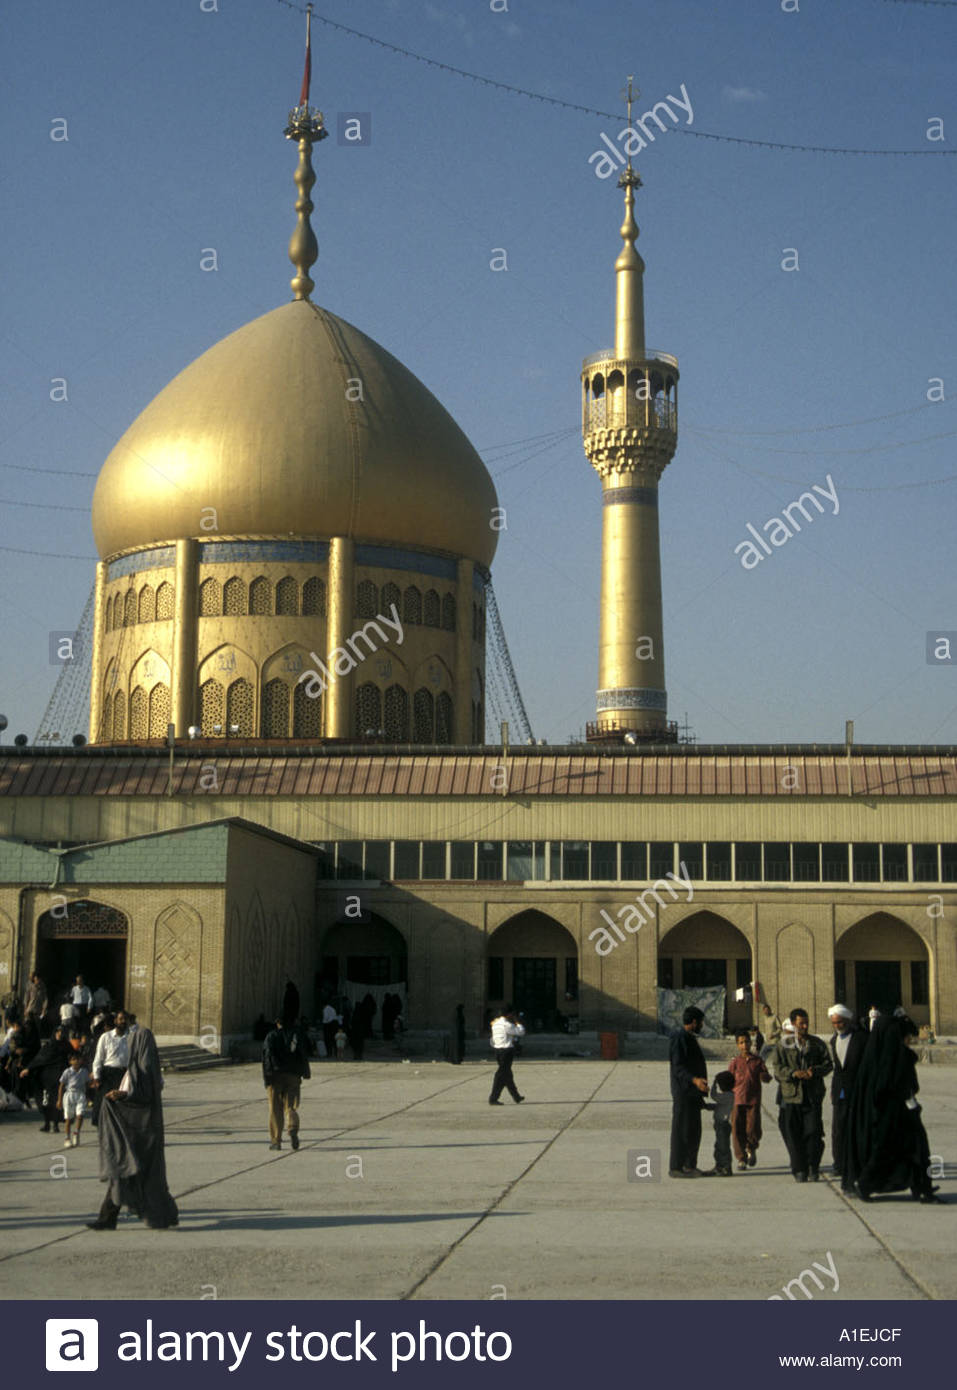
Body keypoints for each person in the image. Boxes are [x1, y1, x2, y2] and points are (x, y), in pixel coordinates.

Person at [844, 1011, 942, 1204]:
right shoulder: (894, 1058)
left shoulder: (874, 1058)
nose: (906, 1040)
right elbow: (903, 1086)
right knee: (897, 1151)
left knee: (915, 1151)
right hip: (895, 1116)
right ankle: (865, 1184)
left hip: (890, 1116)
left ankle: (922, 1187)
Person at [88, 1026, 179, 1231]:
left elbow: (142, 1097)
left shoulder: (143, 1070)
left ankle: (112, 1218)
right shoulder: (136, 1068)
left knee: (127, 1173)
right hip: (138, 1132)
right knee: (128, 1175)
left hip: (139, 1133)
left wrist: (122, 1097)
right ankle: (111, 1218)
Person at [770, 1009, 832, 1182]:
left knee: (813, 1132)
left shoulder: (817, 1044)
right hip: (791, 1096)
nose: (804, 1026)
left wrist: (815, 1071)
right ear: (793, 1024)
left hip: (812, 1096)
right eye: (801, 1023)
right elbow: (777, 1068)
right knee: (793, 1134)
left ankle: (813, 1166)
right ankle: (799, 1169)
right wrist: (793, 1073)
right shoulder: (783, 1045)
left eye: (806, 1023)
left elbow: (828, 1064)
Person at [827, 1003, 867, 1181]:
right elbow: (837, 1068)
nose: (838, 1026)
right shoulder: (834, 1040)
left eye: (840, 1022)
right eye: (835, 1023)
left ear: (847, 1021)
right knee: (838, 1129)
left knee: (856, 1129)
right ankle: (839, 1164)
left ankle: (858, 1164)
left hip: (857, 1091)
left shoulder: (861, 1038)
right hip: (840, 1092)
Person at [668, 1005, 709, 1177]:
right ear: (693, 1022)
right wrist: (695, 1080)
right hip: (684, 1093)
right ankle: (677, 1167)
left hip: (693, 1094)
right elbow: (678, 1067)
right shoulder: (679, 1038)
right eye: (700, 1023)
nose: (701, 1026)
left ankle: (690, 1165)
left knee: (693, 1130)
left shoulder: (689, 1038)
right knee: (682, 1130)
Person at [262, 1015, 311, 1150]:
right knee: (290, 1106)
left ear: (278, 1023)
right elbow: (304, 1053)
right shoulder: (297, 1035)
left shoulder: (271, 1036)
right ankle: (293, 1127)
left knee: (275, 1109)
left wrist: (267, 1078)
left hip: (275, 1076)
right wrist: (305, 1072)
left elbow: (267, 1056)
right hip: (293, 1075)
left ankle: (276, 1141)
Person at [728, 1027, 771, 1169]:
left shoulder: (757, 1061)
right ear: (737, 1045)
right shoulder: (735, 1062)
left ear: (750, 1043)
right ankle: (741, 1158)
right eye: (741, 1043)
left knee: (752, 1128)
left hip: (753, 1100)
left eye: (746, 1042)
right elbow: (729, 1079)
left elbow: (765, 1075)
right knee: (737, 1129)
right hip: (737, 1100)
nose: (744, 1045)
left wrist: (764, 1077)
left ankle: (751, 1149)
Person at [20, 1025, 70, 1133]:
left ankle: (55, 1125)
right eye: (58, 1031)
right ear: (55, 1032)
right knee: (46, 1103)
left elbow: (73, 1058)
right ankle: (47, 1124)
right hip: (46, 1079)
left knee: (57, 1102)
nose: (60, 1034)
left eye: (62, 1032)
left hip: (59, 1079)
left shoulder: (66, 1046)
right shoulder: (48, 1046)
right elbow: (39, 1059)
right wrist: (28, 1069)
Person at [90, 1010, 131, 1127]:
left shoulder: (132, 1036)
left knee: (122, 1105)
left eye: (125, 1019)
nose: (123, 1021)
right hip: (108, 1074)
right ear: (115, 1021)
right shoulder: (106, 1037)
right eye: (121, 1019)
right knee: (104, 1104)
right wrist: (97, 1077)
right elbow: (98, 1058)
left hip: (124, 1075)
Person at [488, 1007, 525, 1105]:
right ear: (509, 1015)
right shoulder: (506, 1024)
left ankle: (516, 1096)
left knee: (507, 1074)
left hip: (497, 1050)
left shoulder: (495, 1024)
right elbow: (521, 1032)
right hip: (506, 1051)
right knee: (501, 1074)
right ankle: (493, 1098)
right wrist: (518, 1022)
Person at [704, 1070, 735, 1176]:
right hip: (721, 1125)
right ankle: (719, 1166)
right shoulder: (729, 1096)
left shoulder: (727, 1096)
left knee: (723, 1147)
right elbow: (719, 1106)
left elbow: (714, 1096)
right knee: (719, 1146)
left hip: (723, 1125)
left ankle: (725, 1167)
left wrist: (713, 1084)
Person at [58, 1051, 90, 1148]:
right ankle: (67, 1138)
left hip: (80, 1095)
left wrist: (88, 1097)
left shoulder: (84, 1072)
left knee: (80, 1115)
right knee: (68, 1118)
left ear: (81, 1060)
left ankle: (76, 1133)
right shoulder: (67, 1072)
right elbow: (61, 1086)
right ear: (70, 1062)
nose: (76, 1061)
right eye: (73, 1060)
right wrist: (59, 1100)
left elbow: (87, 1084)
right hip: (69, 1095)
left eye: (78, 1059)